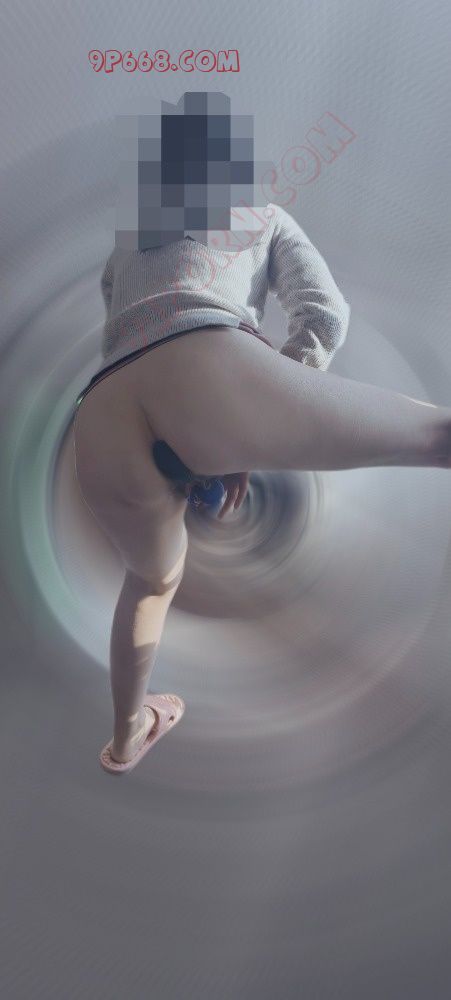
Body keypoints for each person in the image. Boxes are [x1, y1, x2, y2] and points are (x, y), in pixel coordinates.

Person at [72, 95, 451, 774]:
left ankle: (126, 738)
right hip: (207, 368)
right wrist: (270, 410)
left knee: (151, 581)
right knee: (434, 435)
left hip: (100, 414)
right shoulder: (257, 216)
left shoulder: (124, 250)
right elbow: (323, 313)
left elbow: (133, 350)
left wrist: (235, 435)